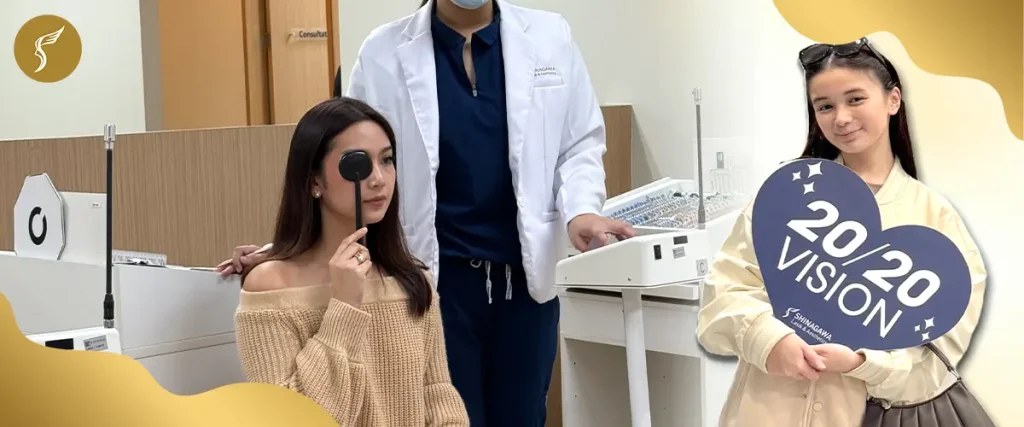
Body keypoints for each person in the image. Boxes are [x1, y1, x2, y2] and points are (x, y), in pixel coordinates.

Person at [220, 1, 635, 426]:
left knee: (523, 415)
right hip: (438, 280)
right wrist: (289, 249)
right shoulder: (383, 51)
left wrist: (581, 212)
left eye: (390, 162)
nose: (382, 174)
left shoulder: (551, 36)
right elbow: (347, 162)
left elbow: (579, 143)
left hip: (524, 283)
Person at [694, 37, 988, 427]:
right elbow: (720, 298)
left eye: (855, 99)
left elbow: (941, 348)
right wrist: (767, 339)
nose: (841, 118)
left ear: (893, 100)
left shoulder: (934, 216)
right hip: (764, 410)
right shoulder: (787, 196)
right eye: (825, 106)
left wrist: (864, 363)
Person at [233, 97, 469, 426]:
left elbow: (438, 397)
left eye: (387, 160)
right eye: (357, 163)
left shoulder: (411, 279)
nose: (378, 178)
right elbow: (291, 419)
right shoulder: (270, 287)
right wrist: (344, 305)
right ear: (314, 180)